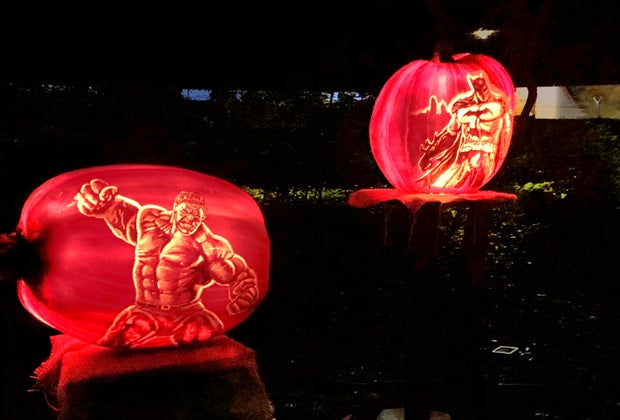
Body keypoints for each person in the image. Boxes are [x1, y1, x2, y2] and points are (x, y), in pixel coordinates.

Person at [74, 179, 259, 349]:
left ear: (202, 218)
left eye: (196, 217)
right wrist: (106, 205)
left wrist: (245, 290)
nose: (189, 220)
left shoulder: (207, 244)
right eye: (185, 213)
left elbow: (235, 269)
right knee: (109, 348)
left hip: (187, 316)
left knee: (198, 354)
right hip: (144, 312)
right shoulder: (149, 221)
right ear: (175, 208)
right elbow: (125, 220)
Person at [417, 73, 511, 190]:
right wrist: (429, 154)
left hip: (487, 156)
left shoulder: (500, 105)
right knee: (442, 187)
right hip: (463, 157)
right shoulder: (463, 106)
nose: (480, 84)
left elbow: (507, 132)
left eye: (481, 81)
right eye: (475, 81)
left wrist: (503, 154)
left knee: (471, 184)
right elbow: (449, 134)